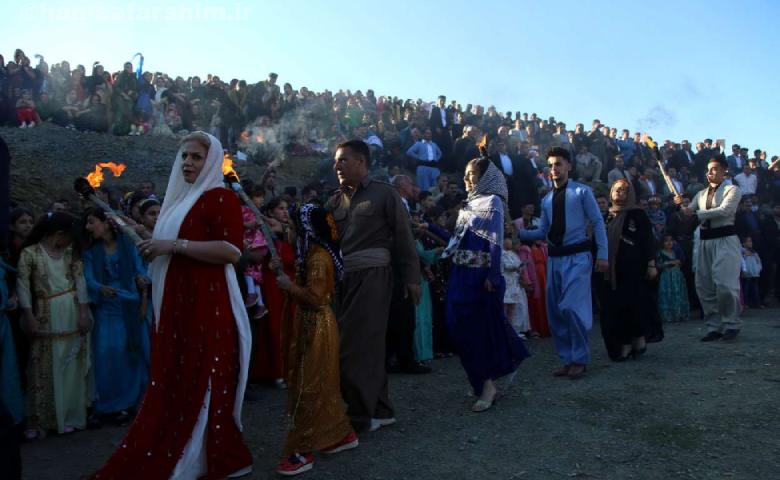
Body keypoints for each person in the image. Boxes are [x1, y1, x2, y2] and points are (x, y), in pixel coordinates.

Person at [93, 132, 253, 478]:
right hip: (176, 303)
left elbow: (231, 251)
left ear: (210, 162)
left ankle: (209, 455)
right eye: (184, 157)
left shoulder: (219, 198)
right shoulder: (180, 200)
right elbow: (170, 245)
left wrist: (172, 245)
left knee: (204, 375)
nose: (188, 163)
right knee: (176, 375)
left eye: (196, 157)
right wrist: (150, 238)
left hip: (206, 303)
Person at [326, 140, 420, 433]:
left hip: (375, 275)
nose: (337, 166)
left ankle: (360, 414)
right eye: (335, 161)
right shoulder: (332, 202)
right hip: (344, 279)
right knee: (362, 345)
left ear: (362, 162)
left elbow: (404, 237)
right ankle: (380, 410)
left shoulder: (384, 193)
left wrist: (411, 278)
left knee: (358, 345)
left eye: (343, 160)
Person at [442, 150, 530, 412]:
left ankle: (486, 384)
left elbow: (493, 241)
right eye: (466, 175)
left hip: (481, 278)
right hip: (460, 275)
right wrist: (428, 229)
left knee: (478, 330)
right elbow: (455, 242)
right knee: (456, 327)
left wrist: (493, 274)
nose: (467, 179)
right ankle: (482, 378)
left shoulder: (492, 202)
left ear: (485, 178)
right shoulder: (468, 205)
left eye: (472, 175)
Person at [274, 204, 358, 476]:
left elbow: (316, 297)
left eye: (294, 227)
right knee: (318, 382)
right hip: (310, 323)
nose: (290, 230)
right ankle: (340, 435)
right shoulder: (310, 253)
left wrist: (289, 286)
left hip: (317, 324)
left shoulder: (319, 258)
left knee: (308, 386)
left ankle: (301, 450)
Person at [518, 146, 608, 379]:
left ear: (569, 166)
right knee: (557, 311)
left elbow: (598, 223)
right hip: (554, 259)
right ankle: (568, 359)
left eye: (558, 163)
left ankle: (580, 358)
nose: (554, 168)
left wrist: (603, 255)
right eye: (550, 165)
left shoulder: (583, 192)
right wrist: (519, 233)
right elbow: (543, 232)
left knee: (571, 307)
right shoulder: (547, 199)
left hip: (578, 257)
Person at [16, 212, 91, 439]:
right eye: (68, 237)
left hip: (70, 309)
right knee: (43, 365)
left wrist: (84, 312)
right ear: (59, 234)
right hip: (45, 311)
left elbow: (80, 281)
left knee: (71, 366)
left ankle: (69, 415)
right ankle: (43, 418)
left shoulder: (70, 253)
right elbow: (22, 286)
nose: (70, 242)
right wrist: (29, 316)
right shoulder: (30, 254)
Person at [82, 208, 150, 426]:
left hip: (128, 305)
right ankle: (107, 404)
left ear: (108, 223)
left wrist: (141, 279)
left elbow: (141, 270)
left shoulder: (128, 246)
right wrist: (100, 288)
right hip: (106, 308)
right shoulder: (91, 252)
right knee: (105, 353)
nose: (88, 228)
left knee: (127, 352)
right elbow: (89, 279)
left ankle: (129, 401)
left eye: (92, 222)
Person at [676, 156, 742, 341]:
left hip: (725, 240)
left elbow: (725, 211)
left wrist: (695, 213)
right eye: (708, 169)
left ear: (724, 171)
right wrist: (680, 206)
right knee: (704, 285)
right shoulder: (701, 194)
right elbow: (687, 215)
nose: (709, 173)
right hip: (704, 242)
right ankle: (714, 326)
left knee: (725, 284)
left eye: (714, 169)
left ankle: (731, 323)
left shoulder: (733, 190)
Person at [599, 179, 660, 361]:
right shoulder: (606, 216)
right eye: (616, 190)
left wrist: (651, 264)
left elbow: (648, 240)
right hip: (610, 272)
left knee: (633, 307)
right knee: (614, 309)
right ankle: (623, 344)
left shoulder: (638, 215)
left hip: (633, 271)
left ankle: (634, 342)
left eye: (624, 190)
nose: (619, 193)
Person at [252, 197, 296, 387]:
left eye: (286, 208)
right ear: (270, 212)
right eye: (280, 208)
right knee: (276, 327)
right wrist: (267, 264)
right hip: (273, 284)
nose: (285, 212)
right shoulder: (264, 232)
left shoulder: (293, 230)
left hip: (293, 282)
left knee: (294, 326)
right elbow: (255, 257)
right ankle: (277, 371)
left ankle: (293, 370)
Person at [657, 235, 690, 323]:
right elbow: (658, 265)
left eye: (671, 240)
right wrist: (669, 263)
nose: (669, 243)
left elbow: (682, 261)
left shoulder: (676, 251)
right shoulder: (660, 253)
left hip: (677, 276)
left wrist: (678, 262)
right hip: (667, 277)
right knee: (667, 295)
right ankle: (669, 316)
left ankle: (679, 314)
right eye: (666, 241)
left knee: (678, 294)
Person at [502, 237, 530, 336]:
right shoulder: (501, 253)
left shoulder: (513, 254)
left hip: (514, 284)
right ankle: (503, 329)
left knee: (512, 308)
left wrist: (521, 266)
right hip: (506, 283)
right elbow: (506, 266)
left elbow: (518, 266)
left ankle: (510, 330)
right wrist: (517, 267)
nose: (510, 244)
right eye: (508, 242)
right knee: (504, 307)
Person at [740, 236, 762, 309]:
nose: (750, 243)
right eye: (748, 241)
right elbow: (742, 262)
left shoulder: (754, 252)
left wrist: (758, 269)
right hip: (747, 274)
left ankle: (757, 303)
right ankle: (745, 304)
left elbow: (758, 262)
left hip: (755, 274)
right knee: (746, 289)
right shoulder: (742, 252)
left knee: (755, 289)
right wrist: (744, 271)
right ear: (743, 243)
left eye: (751, 241)